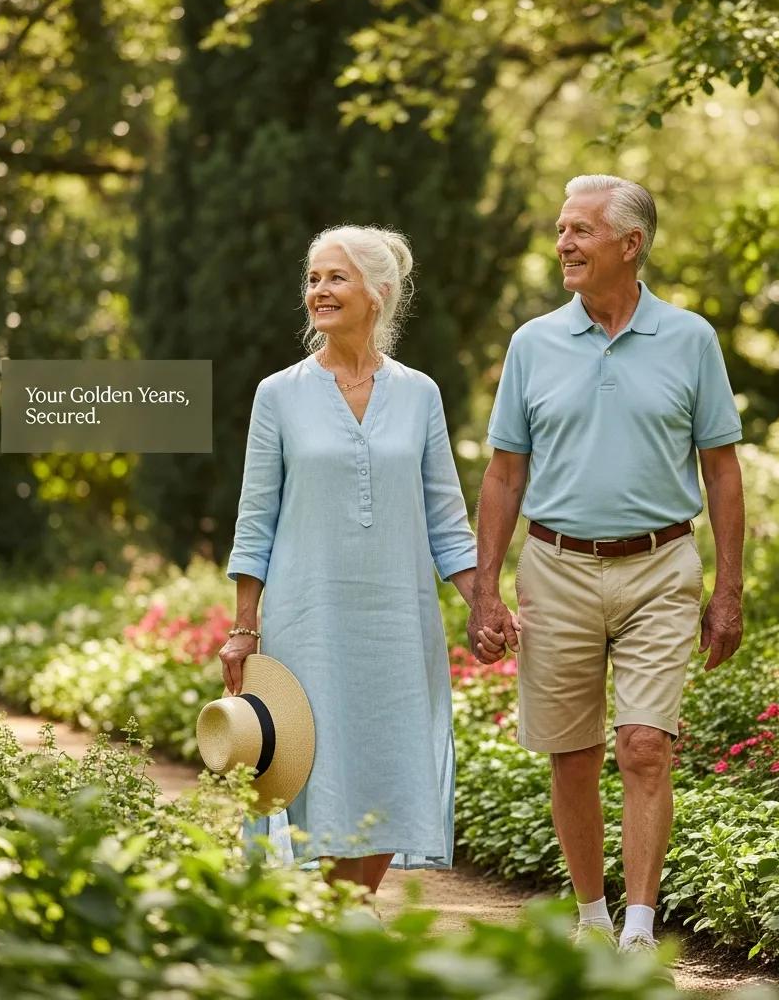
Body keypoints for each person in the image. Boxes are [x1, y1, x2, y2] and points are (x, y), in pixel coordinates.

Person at [469, 174, 745, 950]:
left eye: (580, 231)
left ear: (632, 243)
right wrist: (484, 590)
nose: (564, 245)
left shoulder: (690, 339)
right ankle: (592, 912)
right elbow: (503, 474)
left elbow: (722, 469)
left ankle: (639, 926)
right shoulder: (533, 344)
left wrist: (729, 589)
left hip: (661, 564)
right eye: (561, 231)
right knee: (574, 750)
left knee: (645, 744)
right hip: (555, 566)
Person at [220, 225, 477, 898]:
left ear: (378, 291)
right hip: (312, 615)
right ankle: (344, 909)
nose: (318, 291)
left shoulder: (420, 393)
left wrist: (486, 603)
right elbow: (257, 519)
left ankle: (352, 907)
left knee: (392, 758)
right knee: (319, 759)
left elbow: (447, 517)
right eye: (312, 279)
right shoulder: (277, 394)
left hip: (398, 613)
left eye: (335, 277)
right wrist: (244, 627)